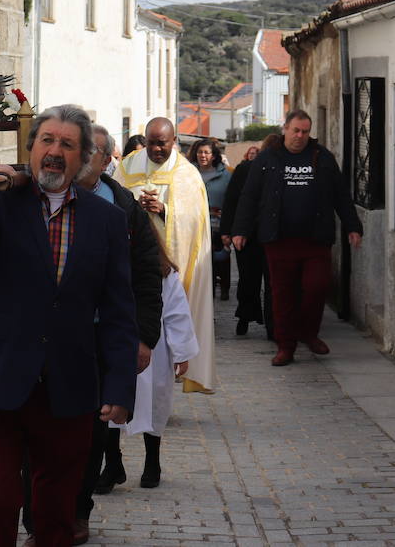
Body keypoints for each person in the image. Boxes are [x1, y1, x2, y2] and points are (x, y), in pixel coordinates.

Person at [0, 105, 137, 547]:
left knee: (55, 510)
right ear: (30, 149)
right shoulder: (0, 203)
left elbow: (119, 310)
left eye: (67, 144)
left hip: (68, 385)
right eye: (46, 140)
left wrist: (121, 387)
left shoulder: (107, 220)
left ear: (84, 157)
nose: (54, 151)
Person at [65, 124, 163, 539]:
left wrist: (143, 338)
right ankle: (39, 517)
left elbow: (146, 277)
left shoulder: (125, 209)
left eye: (93, 152)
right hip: (51, 337)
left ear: (108, 161)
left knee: (91, 432)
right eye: (79, 148)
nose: (83, 157)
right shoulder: (45, 198)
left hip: (102, 338)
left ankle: (78, 510)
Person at [231, 111, 363, 366]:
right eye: (296, 131)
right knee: (282, 295)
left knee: (317, 287)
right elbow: (249, 196)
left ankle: (309, 332)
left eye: (305, 131)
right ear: (285, 129)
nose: (300, 136)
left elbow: (340, 195)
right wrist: (240, 229)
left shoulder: (322, 157)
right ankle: (286, 345)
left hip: (315, 240)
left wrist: (352, 225)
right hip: (279, 241)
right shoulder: (268, 158)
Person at [116, 117, 217, 393]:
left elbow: (194, 220)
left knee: (165, 319)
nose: (156, 149)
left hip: (168, 262)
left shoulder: (186, 174)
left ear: (174, 142)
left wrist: (164, 210)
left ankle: (162, 382)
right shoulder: (128, 166)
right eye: (151, 143)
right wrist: (134, 207)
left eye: (162, 144)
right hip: (132, 255)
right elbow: (112, 202)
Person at [97, 236, 198, 490]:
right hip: (116, 346)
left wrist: (182, 352)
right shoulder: (107, 268)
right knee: (109, 403)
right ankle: (113, 463)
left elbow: (177, 312)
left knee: (155, 403)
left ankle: (153, 461)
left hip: (155, 349)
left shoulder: (164, 275)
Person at [222, 135, 280, 339]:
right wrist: (230, 230)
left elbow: (231, 202)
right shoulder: (246, 169)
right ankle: (250, 318)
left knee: (259, 280)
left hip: (262, 235)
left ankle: (262, 321)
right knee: (253, 279)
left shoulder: (278, 171)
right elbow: (233, 200)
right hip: (250, 234)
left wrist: (229, 230)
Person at [189, 139, 232, 300]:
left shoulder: (226, 175)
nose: (202, 155)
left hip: (217, 227)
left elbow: (231, 200)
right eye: (200, 152)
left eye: (206, 152)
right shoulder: (189, 173)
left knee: (216, 266)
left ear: (214, 156)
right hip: (195, 227)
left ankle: (216, 299)